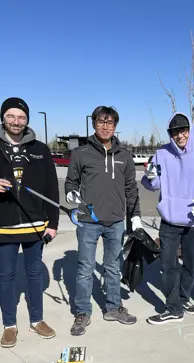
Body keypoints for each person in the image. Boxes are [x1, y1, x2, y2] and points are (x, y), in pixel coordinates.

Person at [65, 106, 142, 336]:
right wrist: (71, 194)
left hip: (116, 221)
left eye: (110, 123)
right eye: (101, 122)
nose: (105, 126)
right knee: (85, 268)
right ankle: (82, 312)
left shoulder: (125, 156)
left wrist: (135, 215)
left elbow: (131, 188)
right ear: (94, 124)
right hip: (89, 220)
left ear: (115, 126)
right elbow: (71, 182)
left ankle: (112, 307)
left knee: (112, 267)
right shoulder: (81, 153)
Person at [141, 112, 194, 324]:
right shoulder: (162, 154)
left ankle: (183, 298)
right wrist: (150, 177)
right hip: (170, 219)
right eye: (175, 132)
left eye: (183, 130)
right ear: (171, 134)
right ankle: (173, 307)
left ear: (190, 130)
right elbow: (153, 184)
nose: (180, 135)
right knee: (168, 264)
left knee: (191, 264)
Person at [0, 97, 59, 348]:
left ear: (27, 120)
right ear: (3, 118)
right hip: (4, 226)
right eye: (11, 116)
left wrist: (53, 223)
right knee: (6, 276)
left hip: (35, 225)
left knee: (34, 274)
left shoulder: (40, 149)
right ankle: (9, 325)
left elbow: (51, 188)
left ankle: (37, 320)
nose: (16, 121)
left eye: (21, 117)